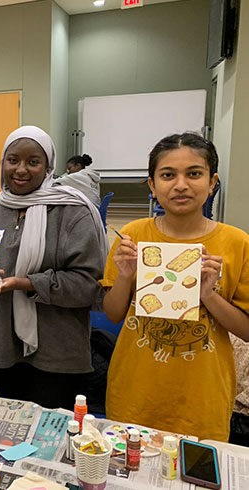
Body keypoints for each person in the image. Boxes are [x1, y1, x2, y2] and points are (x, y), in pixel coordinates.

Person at [102, 132, 249, 441]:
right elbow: (113, 314)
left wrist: (207, 294)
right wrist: (126, 275)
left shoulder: (237, 242)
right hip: (136, 391)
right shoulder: (132, 235)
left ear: (212, 182)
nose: (181, 185)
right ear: (153, 185)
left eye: (194, 173)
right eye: (168, 175)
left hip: (202, 398)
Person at [0, 126, 107, 409]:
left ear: (48, 167)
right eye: (13, 160)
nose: (21, 169)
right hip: (5, 348)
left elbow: (88, 286)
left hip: (58, 353)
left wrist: (25, 283)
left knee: (51, 438)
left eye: (33, 162)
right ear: (3, 163)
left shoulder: (71, 212)